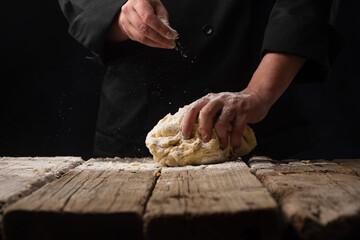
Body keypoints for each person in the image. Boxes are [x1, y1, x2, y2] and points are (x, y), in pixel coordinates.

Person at [58, 0, 336, 159]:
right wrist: (118, 13)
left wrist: (259, 92)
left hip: (256, 113)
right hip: (135, 120)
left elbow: (304, 4)